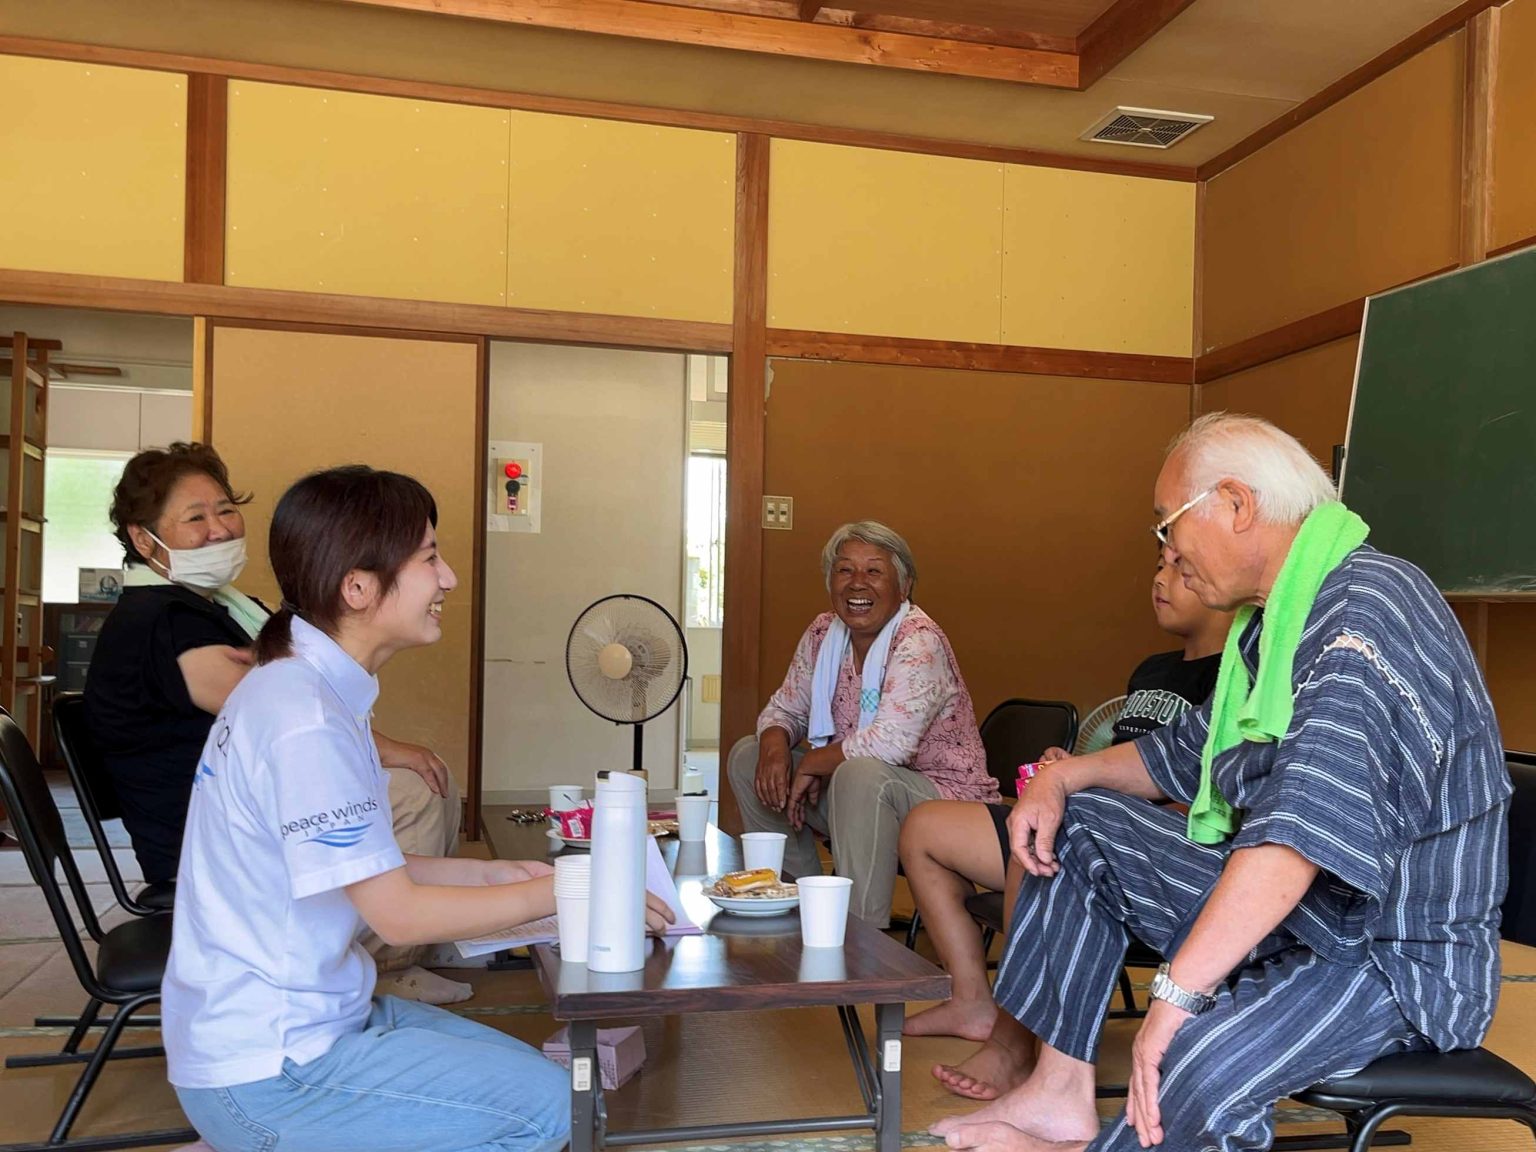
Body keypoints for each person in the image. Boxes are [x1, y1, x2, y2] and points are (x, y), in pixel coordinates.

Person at [931, 413, 1510, 1152]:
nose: (1168, 552)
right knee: (1076, 824)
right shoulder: (1272, 624)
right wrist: (1060, 777)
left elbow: (1298, 837)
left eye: (1167, 525)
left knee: (1190, 1057)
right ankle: (1056, 1093)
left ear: (1236, 504)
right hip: (1304, 918)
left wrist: (1174, 996)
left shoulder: (1367, 611)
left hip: (1390, 954)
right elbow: (1181, 754)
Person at [162, 465, 676, 1152]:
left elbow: (375, 869)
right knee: (555, 1110)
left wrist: (510, 877)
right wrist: (572, 890)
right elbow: (398, 914)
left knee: (564, 1087)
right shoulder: (303, 719)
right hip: (273, 1063)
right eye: (429, 558)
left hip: (316, 1019)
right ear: (357, 587)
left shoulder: (305, 689)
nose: (448, 579)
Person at [85, 443, 469, 1004]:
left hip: (247, 805)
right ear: (145, 541)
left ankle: (417, 937)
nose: (219, 529)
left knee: (429, 781)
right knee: (413, 790)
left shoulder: (217, 607)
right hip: (208, 833)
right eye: (195, 518)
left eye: (225, 509)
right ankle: (383, 962)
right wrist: (394, 751)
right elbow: (286, 712)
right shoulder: (161, 621)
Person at [900, 557, 1231, 1044]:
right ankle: (972, 1001)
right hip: (1086, 817)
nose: (1159, 580)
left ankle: (1020, 1031)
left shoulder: (1234, 676)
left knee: (1042, 837)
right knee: (925, 828)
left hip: (1149, 850)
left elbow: (1214, 795)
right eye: (1158, 566)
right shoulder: (1152, 670)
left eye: (1179, 568)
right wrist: (1072, 767)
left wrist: (1089, 794)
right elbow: (1123, 761)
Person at [727, 520, 998, 928]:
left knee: (860, 774)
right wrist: (774, 745)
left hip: (944, 801)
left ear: (903, 586)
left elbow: (890, 745)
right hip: (855, 789)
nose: (857, 583)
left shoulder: (919, 640)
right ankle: (795, 907)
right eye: (844, 570)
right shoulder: (823, 633)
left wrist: (814, 762)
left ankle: (861, 938)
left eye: (874, 571)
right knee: (749, 755)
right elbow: (785, 708)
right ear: (830, 581)